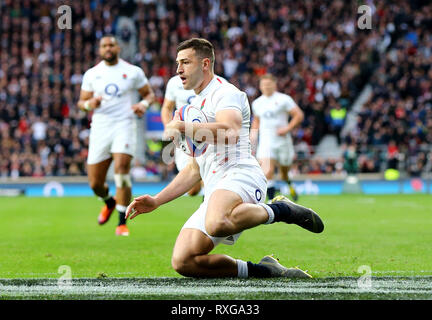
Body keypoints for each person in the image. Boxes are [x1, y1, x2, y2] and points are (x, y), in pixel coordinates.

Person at [126, 38, 323, 278]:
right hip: (215, 187)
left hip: (241, 174)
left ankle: (281, 210)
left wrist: (184, 126)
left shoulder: (225, 92)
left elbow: (229, 132)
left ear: (205, 63)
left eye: (185, 62)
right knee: (183, 261)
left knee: (216, 222)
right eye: (178, 63)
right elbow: (194, 169)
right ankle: (266, 271)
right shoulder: (196, 103)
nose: (178, 69)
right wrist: (156, 201)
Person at [78, 35, 155, 236]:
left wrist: (143, 105)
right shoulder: (92, 74)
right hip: (101, 128)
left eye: (111, 44)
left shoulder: (132, 72)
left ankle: (121, 224)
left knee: (121, 170)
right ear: (100, 49)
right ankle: (109, 202)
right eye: (104, 45)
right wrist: (89, 105)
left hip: (125, 125)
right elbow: (81, 103)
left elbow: (149, 94)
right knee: (95, 184)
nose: (108, 48)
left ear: (118, 48)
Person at [250, 74, 304, 202]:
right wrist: (253, 134)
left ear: (275, 85)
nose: (266, 87)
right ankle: (271, 202)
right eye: (263, 84)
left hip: (282, 141)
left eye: (269, 84)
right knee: (267, 171)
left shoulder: (284, 99)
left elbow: (298, 115)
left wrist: (287, 129)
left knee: (284, 172)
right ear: (260, 86)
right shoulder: (257, 103)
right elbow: (257, 120)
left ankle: (290, 185)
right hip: (266, 141)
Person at [160, 75, 202, 196]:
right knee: (192, 190)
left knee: (209, 177)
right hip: (185, 139)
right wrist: (169, 128)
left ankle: (210, 212)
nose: (181, 67)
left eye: (186, 62)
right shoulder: (174, 82)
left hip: (207, 137)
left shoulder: (216, 83)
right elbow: (167, 108)